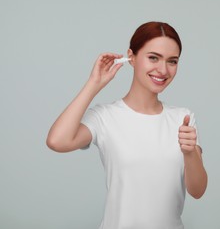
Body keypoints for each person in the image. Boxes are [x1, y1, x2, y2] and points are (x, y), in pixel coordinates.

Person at [46, 21, 208, 229]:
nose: (163, 70)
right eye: (153, 58)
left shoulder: (183, 118)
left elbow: (198, 190)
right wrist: (93, 84)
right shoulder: (105, 117)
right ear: (131, 57)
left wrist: (189, 153)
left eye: (172, 61)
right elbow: (57, 141)